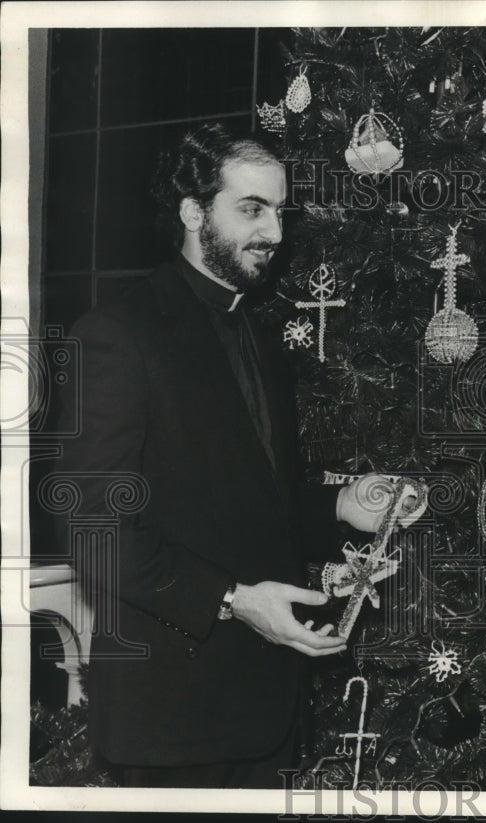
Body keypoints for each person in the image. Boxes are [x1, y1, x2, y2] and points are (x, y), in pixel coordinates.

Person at [56, 123, 407, 788]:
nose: (274, 232)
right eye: (251, 209)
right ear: (193, 213)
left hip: (268, 713)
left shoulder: (260, 335)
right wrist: (234, 599)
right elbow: (93, 532)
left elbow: (250, 501)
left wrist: (341, 504)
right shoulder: (117, 334)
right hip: (172, 725)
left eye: (279, 210)